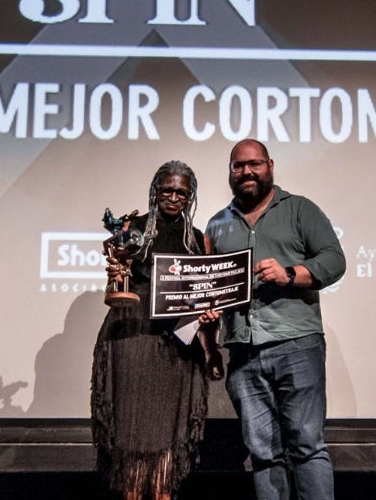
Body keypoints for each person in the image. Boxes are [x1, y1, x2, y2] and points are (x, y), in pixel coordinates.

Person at [205, 140, 346, 500]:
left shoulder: (299, 209)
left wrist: (290, 273)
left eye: (254, 164)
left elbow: (334, 260)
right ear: (230, 171)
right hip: (243, 351)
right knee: (263, 455)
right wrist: (208, 306)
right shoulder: (217, 224)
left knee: (307, 446)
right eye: (238, 166)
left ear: (270, 165)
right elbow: (209, 283)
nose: (246, 172)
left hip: (296, 343)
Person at [91, 160, 224, 500]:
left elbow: (202, 294)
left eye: (182, 192)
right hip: (132, 337)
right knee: (134, 437)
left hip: (176, 346)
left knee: (166, 439)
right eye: (167, 189)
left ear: (190, 196)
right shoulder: (131, 228)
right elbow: (114, 281)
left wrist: (208, 326)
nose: (174, 197)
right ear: (154, 190)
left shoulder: (196, 240)